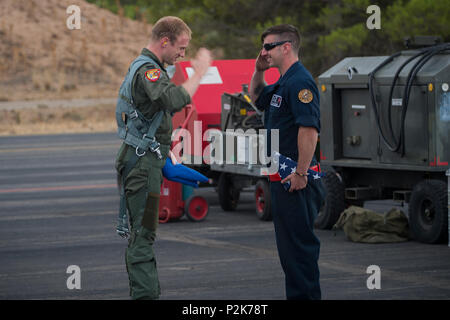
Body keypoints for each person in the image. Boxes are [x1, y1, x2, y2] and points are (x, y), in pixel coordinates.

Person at [114, 16, 212, 300]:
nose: (183, 55)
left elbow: (148, 115)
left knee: (145, 234)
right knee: (143, 237)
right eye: (181, 48)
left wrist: (162, 143)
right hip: (142, 169)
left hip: (146, 162)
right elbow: (174, 99)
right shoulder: (149, 71)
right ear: (164, 41)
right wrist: (200, 72)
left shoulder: (148, 68)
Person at [249, 24, 325, 300]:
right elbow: (257, 98)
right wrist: (259, 70)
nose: (264, 52)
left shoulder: (300, 82)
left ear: (286, 47)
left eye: (268, 46)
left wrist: (301, 173)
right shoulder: (283, 81)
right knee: (290, 257)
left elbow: (309, 130)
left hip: (296, 182)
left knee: (300, 255)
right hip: (283, 180)